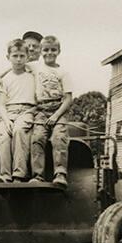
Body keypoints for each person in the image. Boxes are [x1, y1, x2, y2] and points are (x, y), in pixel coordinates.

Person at [28, 35, 73, 188]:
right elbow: (16, 65)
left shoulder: (64, 72)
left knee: (59, 138)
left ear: (58, 51)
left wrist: (56, 115)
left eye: (53, 50)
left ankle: (60, 173)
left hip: (58, 110)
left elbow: (68, 99)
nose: (49, 53)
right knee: (37, 138)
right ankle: (38, 175)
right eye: (46, 50)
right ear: (41, 51)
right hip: (41, 109)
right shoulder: (35, 67)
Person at [0, 39, 36, 183]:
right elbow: (1, 105)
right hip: (9, 112)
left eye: (22, 56)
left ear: (27, 57)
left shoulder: (33, 75)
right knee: (4, 136)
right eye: (15, 56)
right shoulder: (4, 80)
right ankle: (5, 175)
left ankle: (19, 173)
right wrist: (6, 121)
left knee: (19, 131)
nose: (18, 60)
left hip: (27, 111)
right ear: (8, 57)